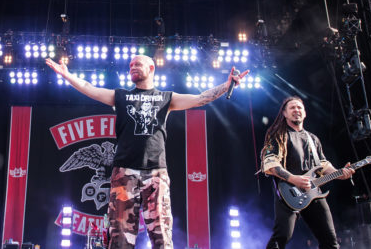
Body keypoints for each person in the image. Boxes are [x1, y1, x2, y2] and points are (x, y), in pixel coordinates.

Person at [46, 55, 248, 249]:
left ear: (151, 68)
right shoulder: (122, 96)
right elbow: (90, 88)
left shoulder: (166, 98)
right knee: (120, 238)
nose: (132, 67)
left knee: (161, 235)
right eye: (131, 65)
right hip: (124, 174)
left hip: (156, 173)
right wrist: (67, 75)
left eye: (137, 64)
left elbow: (200, 98)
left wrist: (226, 84)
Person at [260, 96, 354, 249]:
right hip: (288, 193)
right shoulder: (278, 135)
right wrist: (293, 179)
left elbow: (322, 165)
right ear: (284, 113)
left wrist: (339, 173)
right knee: (282, 236)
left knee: (330, 241)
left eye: (299, 108)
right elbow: (270, 164)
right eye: (292, 108)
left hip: (313, 192)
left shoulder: (313, 139)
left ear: (304, 113)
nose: (296, 110)